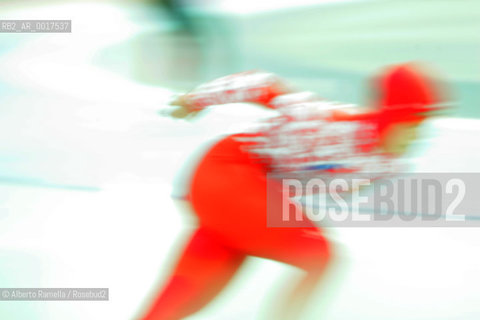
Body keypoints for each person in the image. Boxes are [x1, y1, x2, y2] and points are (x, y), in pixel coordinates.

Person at [140, 63, 444, 320]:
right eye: (412, 124)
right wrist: (195, 100)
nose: (417, 138)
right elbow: (262, 85)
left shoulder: (387, 164)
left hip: (242, 198)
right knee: (320, 255)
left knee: (176, 304)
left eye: (423, 127)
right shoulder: (326, 122)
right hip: (228, 171)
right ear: (391, 115)